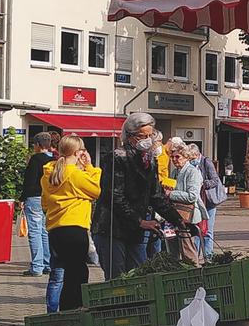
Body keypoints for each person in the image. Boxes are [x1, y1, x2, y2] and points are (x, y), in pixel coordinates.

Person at [93, 114, 192, 277]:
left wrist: (178, 220)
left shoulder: (149, 160)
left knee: (139, 274)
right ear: (130, 137)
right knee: (118, 279)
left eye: (150, 135)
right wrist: (140, 221)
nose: (148, 139)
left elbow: (156, 195)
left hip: (135, 229)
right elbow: (115, 197)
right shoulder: (117, 157)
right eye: (142, 136)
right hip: (112, 228)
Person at [41, 135, 100, 312]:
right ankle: (74, 310)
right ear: (78, 152)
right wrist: (90, 167)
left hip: (55, 229)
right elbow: (96, 190)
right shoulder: (74, 174)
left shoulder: (48, 174)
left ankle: (60, 310)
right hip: (75, 227)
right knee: (78, 274)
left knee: (63, 273)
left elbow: (45, 203)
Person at [19, 133, 54, 278]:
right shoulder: (54, 160)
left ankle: (37, 266)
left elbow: (29, 181)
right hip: (48, 198)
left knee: (34, 232)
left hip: (34, 198)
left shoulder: (35, 160)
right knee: (45, 232)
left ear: (38, 145)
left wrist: (22, 198)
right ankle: (47, 263)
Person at [168, 144, 204, 266]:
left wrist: (171, 194)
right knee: (172, 252)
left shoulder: (192, 172)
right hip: (174, 216)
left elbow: (192, 196)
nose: (174, 160)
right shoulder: (174, 172)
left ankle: (195, 276)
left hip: (187, 218)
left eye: (177, 157)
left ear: (186, 157)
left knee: (188, 251)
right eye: (172, 157)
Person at [197, 148, 226, 260]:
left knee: (208, 230)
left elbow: (215, 180)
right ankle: (195, 257)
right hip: (197, 201)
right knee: (197, 231)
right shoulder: (189, 164)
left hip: (209, 202)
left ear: (197, 154)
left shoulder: (206, 162)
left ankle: (208, 257)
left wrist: (204, 184)